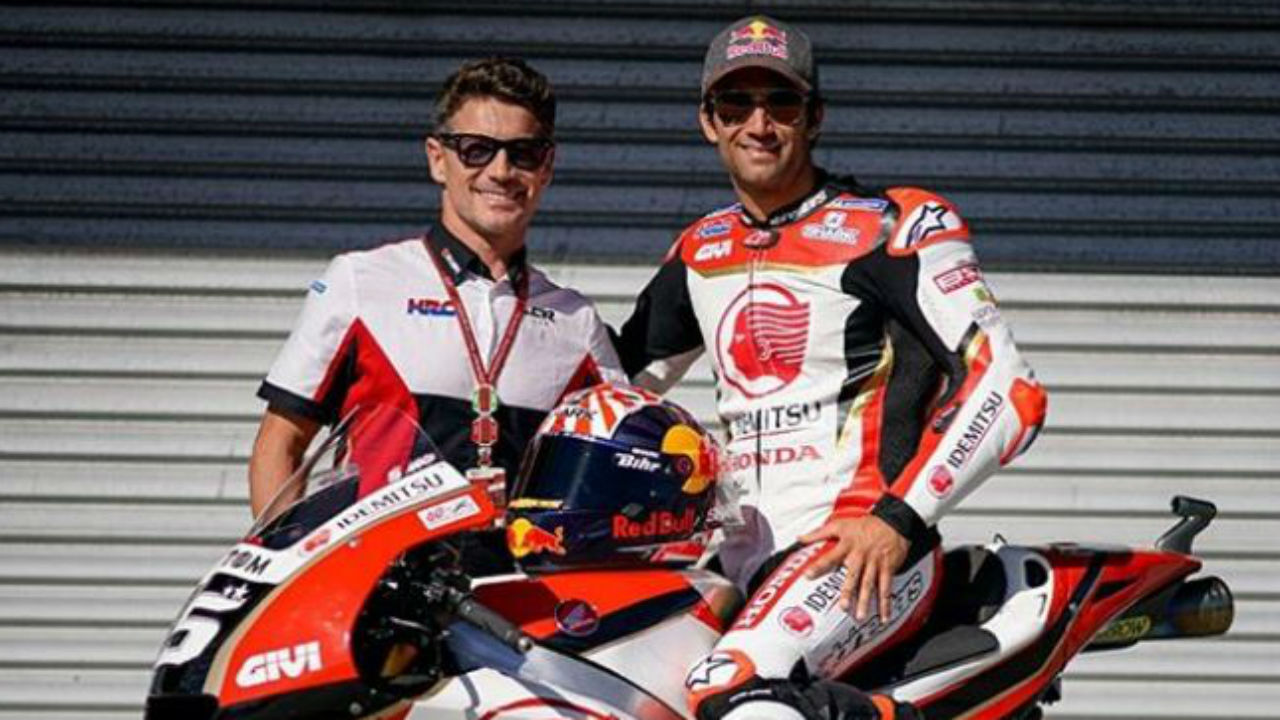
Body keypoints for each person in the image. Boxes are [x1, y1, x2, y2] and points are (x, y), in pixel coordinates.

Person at [614, 15, 1048, 720]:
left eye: (781, 103)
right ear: (708, 122)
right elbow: (611, 392)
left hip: (863, 550)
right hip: (738, 559)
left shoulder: (894, 227)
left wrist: (897, 520)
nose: (758, 124)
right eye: (736, 104)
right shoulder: (701, 248)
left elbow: (1009, 390)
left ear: (814, 117)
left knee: (734, 695)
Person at [249, 57, 626, 571]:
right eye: (476, 149)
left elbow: (616, 470)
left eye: (523, 153)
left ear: (547, 167)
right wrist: (290, 571)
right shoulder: (360, 282)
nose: (501, 171)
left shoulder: (576, 321)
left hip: (516, 603)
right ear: (437, 159)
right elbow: (280, 444)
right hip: (378, 594)